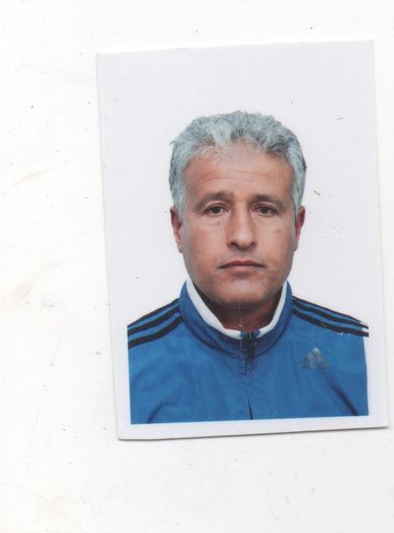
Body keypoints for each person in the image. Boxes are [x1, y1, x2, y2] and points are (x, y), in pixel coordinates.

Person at [128, 111, 368, 425]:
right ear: (178, 227)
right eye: (215, 209)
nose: (242, 236)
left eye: (265, 210)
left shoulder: (363, 356)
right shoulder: (126, 365)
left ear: (297, 227)